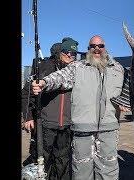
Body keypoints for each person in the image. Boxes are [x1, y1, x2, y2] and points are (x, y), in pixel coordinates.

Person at [32, 35, 125, 180]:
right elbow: (60, 77)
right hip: (83, 130)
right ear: (88, 49)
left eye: (100, 46)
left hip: (109, 129)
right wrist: (44, 82)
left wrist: (127, 103)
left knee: (108, 170)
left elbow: (130, 92)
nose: (97, 49)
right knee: (81, 171)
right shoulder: (78, 67)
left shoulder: (118, 69)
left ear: (105, 48)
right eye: (92, 46)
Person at [22, 37, 79, 180]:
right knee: (42, 161)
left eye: (73, 53)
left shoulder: (76, 71)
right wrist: (28, 116)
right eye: (67, 52)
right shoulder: (44, 67)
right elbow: (26, 93)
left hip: (66, 126)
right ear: (60, 52)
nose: (70, 56)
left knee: (63, 162)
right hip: (45, 125)